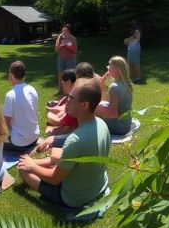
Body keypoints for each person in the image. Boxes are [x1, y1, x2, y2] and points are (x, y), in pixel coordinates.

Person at [17, 79, 110, 210]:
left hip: (75, 198)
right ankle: (31, 162)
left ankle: (30, 163)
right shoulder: (102, 124)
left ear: (84, 105)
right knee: (56, 158)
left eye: (71, 98)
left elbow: (54, 179)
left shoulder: (75, 140)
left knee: (23, 170)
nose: (66, 100)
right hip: (97, 185)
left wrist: (31, 166)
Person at [2, 61, 39, 154]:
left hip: (20, 143)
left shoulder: (10, 95)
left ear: (11, 75)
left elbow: (6, 123)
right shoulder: (32, 89)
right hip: (34, 137)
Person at [94, 56, 134, 136]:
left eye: (110, 67)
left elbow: (113, 114)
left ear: (117, 69)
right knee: (102, 103)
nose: (108, 69)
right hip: (126, 124)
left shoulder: (114, 87)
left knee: (94, 107)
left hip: (119, 127)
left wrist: (96, 109)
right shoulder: (126, 83)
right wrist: (105, 77)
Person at [45, 69, 78, 135]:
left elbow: (62, 123)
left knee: (49, 116)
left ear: (68, 82)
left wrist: (49, 114)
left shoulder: (73, 100)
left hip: (73, 129)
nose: (62, 86)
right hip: (72, 124)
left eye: (63, 83)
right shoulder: (75, 94)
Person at [54, 25, 78, 93]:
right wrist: (60, 46)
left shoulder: (73, 38)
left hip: (71, 59)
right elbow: (56, 50)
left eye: (66, 31)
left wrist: (67, 47)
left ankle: (72, 90)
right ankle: (61, 90)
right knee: (61, 74)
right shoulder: (60, 38)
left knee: (71, 74)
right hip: (61, 58)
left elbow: (75, 51)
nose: (64, 32)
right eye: (63, 31)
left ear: (69, 31)